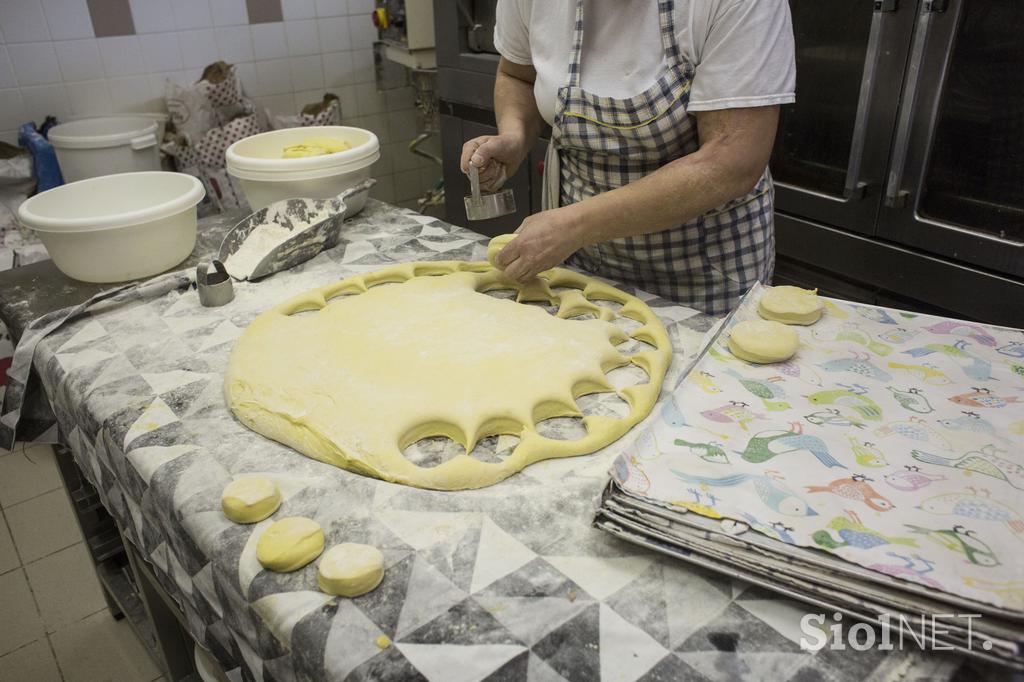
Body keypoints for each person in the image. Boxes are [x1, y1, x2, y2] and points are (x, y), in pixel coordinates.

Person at [461, 0, 796, 316]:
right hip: (577, 259)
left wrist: (576, 225)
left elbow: (729, 164)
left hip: (704, 270)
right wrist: (514, 136)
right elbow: (518, 74)